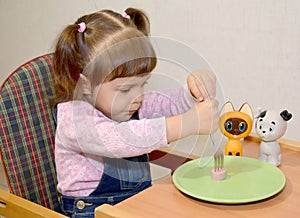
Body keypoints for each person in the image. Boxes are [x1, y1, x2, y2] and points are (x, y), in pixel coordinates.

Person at [53, 7, 219, 217]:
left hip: (135, 206)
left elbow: (167, 104)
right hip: (91, 212)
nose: (138, 97)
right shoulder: (75, 121)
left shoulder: (130, 104)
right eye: (125, 89)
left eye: (143, 84)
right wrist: (187, 124)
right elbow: (122, 139)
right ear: (85, 84)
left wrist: (194, 90)